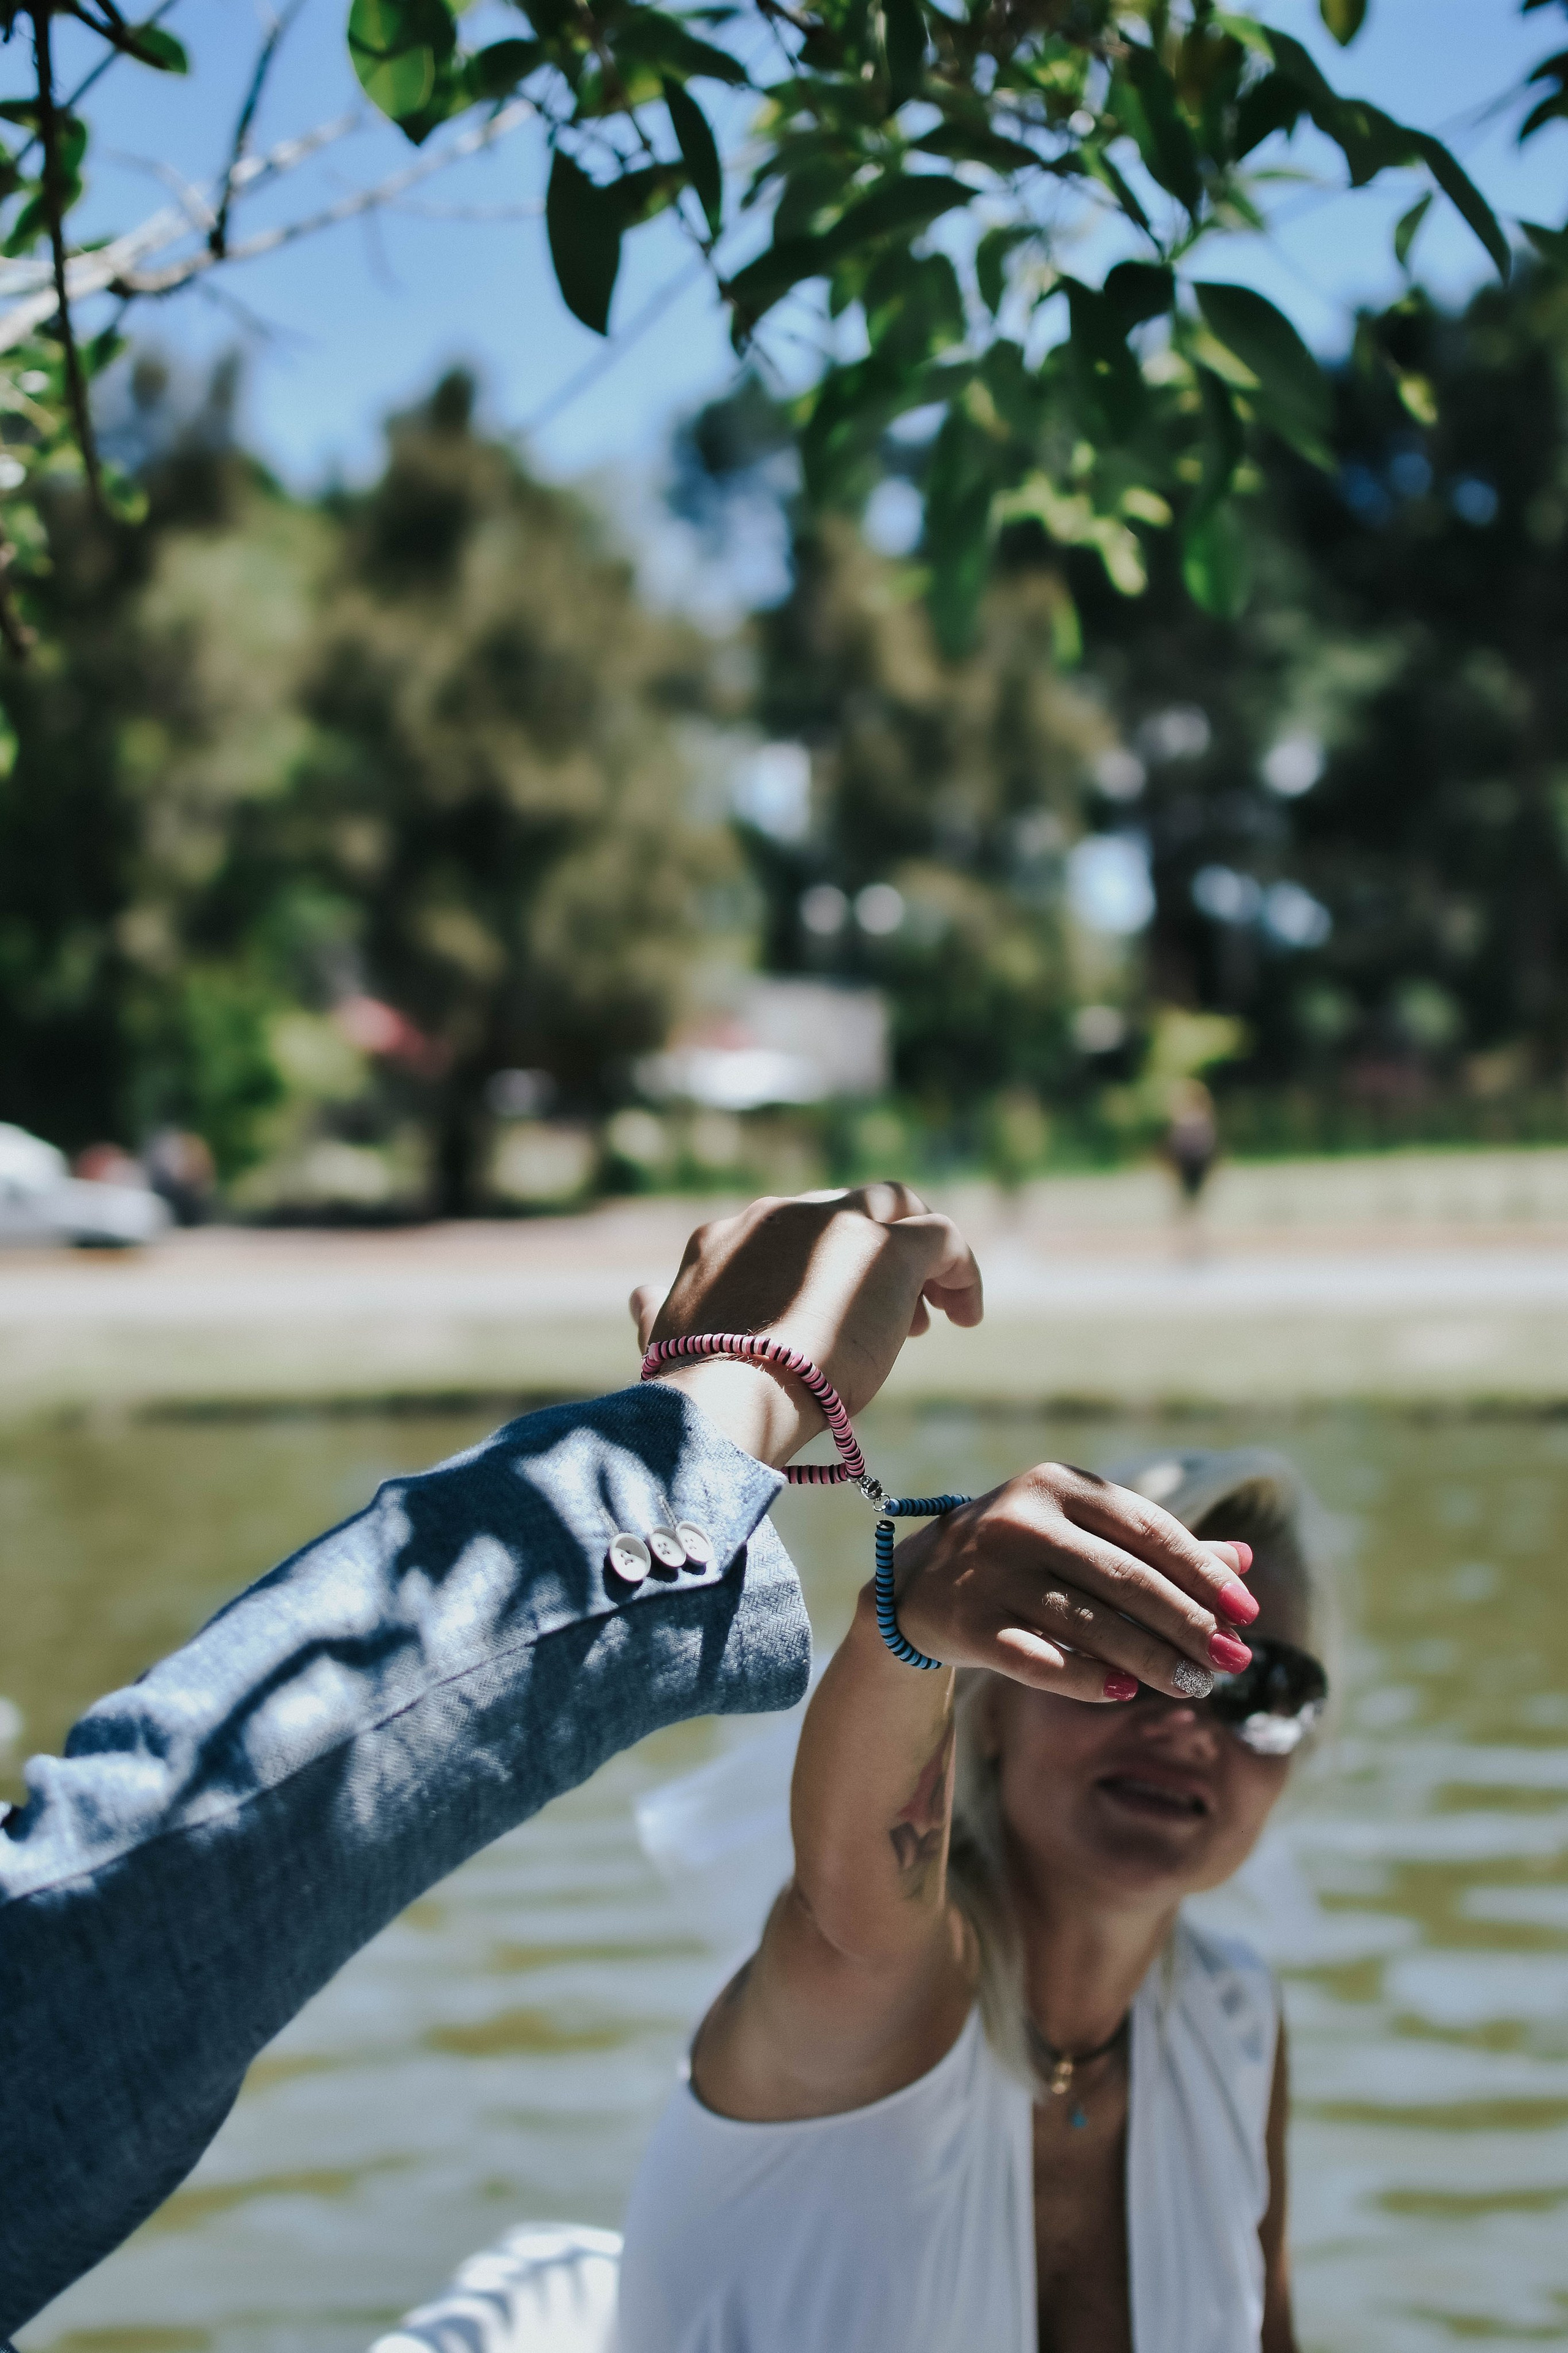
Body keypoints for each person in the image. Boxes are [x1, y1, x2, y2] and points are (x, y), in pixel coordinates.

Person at [619, 1446, 1330, 2353]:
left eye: (1257, 1685)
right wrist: (908, 1616)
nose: (1186, 1720)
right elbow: (847, 1909)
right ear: (993, 1709)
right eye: (1125, 1646)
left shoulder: (1237, 2018)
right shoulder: (886, 1994)